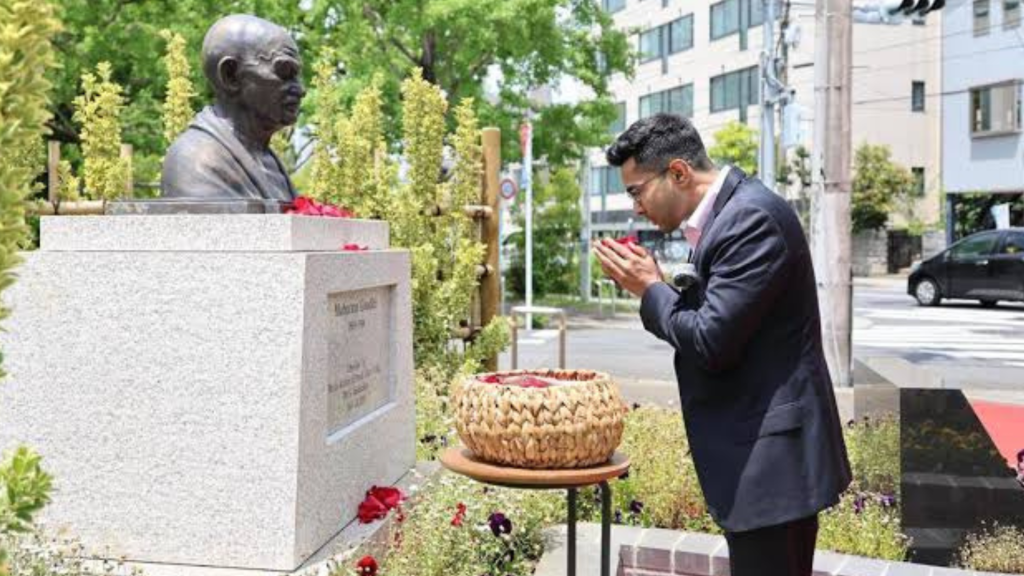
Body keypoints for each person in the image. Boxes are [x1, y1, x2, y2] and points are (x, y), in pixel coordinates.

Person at [593, 113, 851, 576]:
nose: (636, 208)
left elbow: (712, 340)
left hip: (772, 464)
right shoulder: (730, 214)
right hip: (762, 457)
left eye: (636, 191)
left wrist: (650, 289)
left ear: (678, 172)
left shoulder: (750, 218)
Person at [161, 14, 305, 201]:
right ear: (230, 76)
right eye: (284, 72)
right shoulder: (195, 160)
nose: (301, 90)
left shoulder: (267, 159)